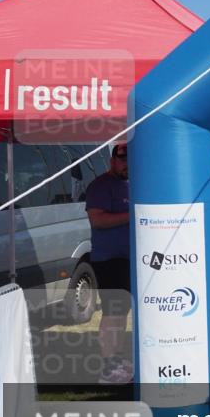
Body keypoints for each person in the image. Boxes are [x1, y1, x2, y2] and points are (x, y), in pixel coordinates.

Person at [86, 143, 133, 384]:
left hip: (129, 259)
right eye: (122, 160)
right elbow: (98, 221)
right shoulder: (100, 186)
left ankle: (115, 360)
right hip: (109, 260)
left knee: (121, 312)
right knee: (112, 313)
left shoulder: (132, 184)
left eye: (130, 160)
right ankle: (107, 368)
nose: (127, 164)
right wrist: (133, 215)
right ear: (112, 160)